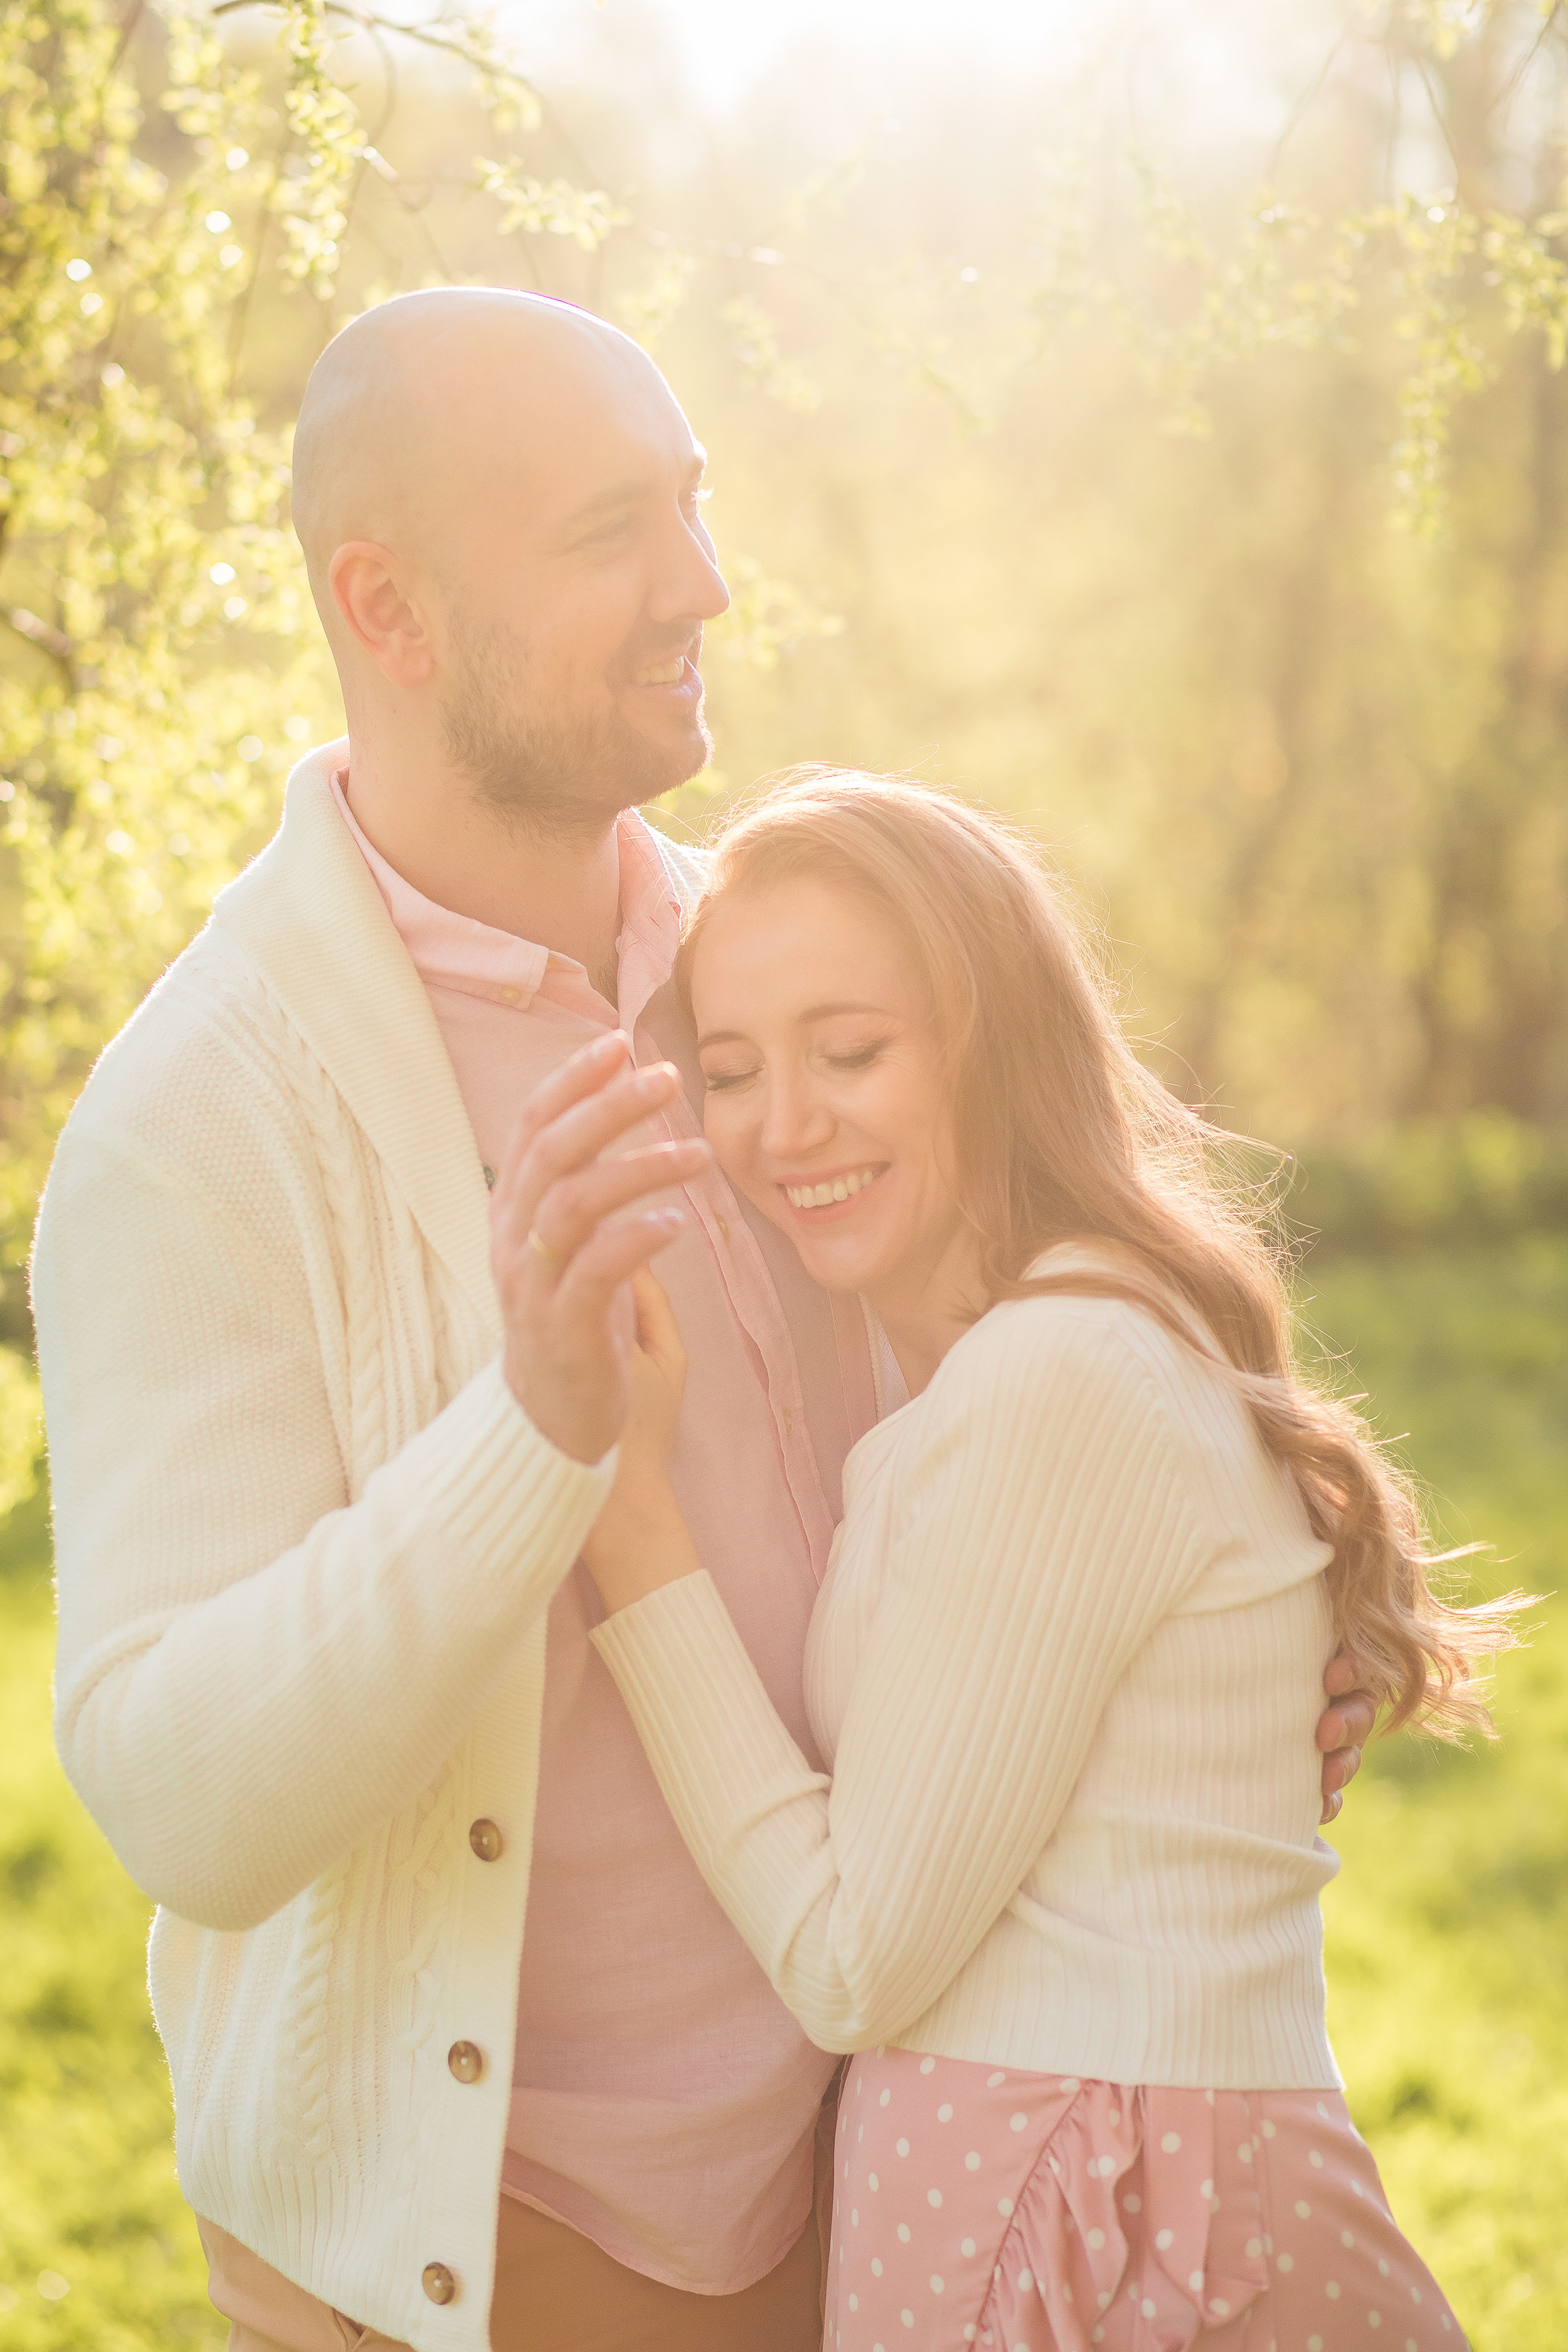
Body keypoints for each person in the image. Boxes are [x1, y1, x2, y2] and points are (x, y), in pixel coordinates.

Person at [32, 290, 1372, 2352]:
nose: (704, 585)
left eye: (695, 504)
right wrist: (533, 1437)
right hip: (477, 2255)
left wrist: (1218, 1653)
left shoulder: (781, 976)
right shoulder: (195, 1121)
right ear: (384, 608)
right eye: (607, 533)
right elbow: (178, 1806)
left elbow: (1026, 1421)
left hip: (885, 2188)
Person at [559, 774, 1521, 2350]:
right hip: (1114, 2164)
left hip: (1085, 2196)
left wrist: (636, 1534)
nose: (782, 1127)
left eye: (849, 1051)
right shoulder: (1040, 1362)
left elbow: (854, 1961)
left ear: (992, 1040)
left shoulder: (1055, 1382)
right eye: (730, 1070)